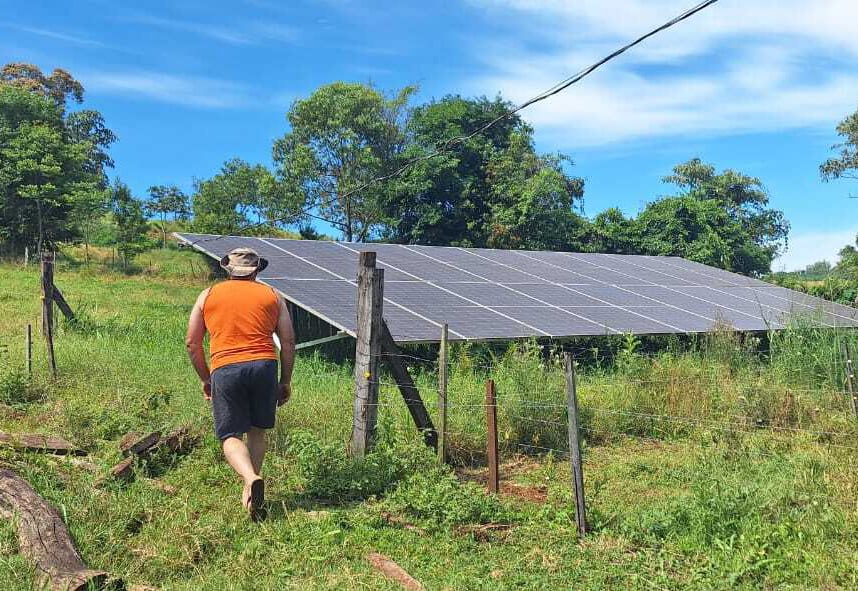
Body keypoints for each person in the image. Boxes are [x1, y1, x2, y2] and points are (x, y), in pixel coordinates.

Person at [185, 247, 295, 520]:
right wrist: (285, 380)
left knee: (229, 435)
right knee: (257, 430)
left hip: (225, 367)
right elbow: (289, 342)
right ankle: (251, 490)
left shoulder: (208, 295)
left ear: (228, 269)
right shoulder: (272, 295)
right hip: (264, 366)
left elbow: (192, 343)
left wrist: (206, 378)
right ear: (257, 270)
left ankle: (249, 477)